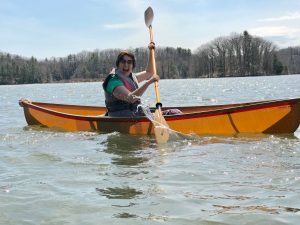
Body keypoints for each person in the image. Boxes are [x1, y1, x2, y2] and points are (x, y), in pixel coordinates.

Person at [102, 42, 159, 117]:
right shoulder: (113, 81)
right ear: (118, 64)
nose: (126, 65)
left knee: (173, 112)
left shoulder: (132, 77)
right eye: (123, 62)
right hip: (120, 117)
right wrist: (148, 83)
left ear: (133, 65)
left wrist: (151, 52)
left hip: (133, 113)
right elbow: (131, 98)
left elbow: (150, 72)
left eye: (129, 62)